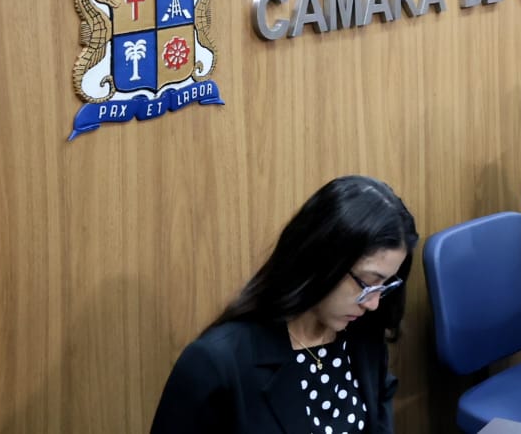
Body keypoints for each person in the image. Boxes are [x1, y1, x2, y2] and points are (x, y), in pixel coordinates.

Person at [149, 175, 417, 434]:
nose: (372, 303)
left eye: (383, 286)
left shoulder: (363, 336)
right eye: (367, 283)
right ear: (320, 260)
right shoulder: (216, 363)